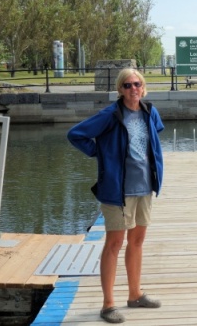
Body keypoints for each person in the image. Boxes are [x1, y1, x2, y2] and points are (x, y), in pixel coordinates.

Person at [67, 68, 164, 324]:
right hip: (117, 191)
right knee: (114, 244)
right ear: (120, 89)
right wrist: (102, 153)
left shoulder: (149, 112)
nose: (134, 89)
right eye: (128, 85)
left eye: (138, 84)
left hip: (144, 187)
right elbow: (76, 135)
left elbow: (154, 139)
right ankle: (108, 304)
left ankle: (135, 295)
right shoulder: (111, 115)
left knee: (138, 241)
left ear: (143, 88)